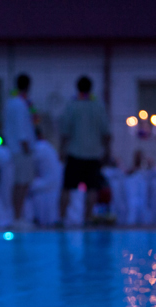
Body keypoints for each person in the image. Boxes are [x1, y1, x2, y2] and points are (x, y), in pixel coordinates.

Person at [59, 76, 110, 225]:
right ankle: (87, 218)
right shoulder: (98, 106)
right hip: (93, 153)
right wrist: (106, 151)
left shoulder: (72, 106)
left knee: (67, 187)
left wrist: (62, 151)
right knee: (92, 188)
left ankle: (62, 218)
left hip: (75, 152)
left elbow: (65, 132)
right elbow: (106, 132)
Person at [4, 73, 36, 228]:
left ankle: (18, 216)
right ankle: (17, 217)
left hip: (16, 149)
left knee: (20, 184)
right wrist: (26, 147)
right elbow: (21, 128)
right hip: (21, 150)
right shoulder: (19, 104)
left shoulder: (12, 103)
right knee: (21, 184)